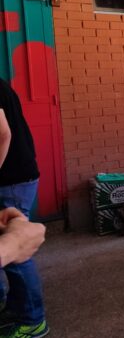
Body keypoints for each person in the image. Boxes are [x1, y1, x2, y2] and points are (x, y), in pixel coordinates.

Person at [0, 78, 48, 338]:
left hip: (12, 180)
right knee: (11, 249)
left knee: (17, 252)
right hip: (16, 177)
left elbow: (3, 134)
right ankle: (16, 308)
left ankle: (33, 321)